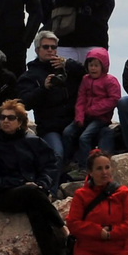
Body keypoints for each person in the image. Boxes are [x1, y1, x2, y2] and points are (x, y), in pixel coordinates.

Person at [0, 101, 66, 255]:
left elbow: (51, 164)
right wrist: (23, 184)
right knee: (32, 193)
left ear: (20, 122)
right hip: (6, 196)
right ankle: (63, 228)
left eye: (11, 118)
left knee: (36, 212)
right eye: (2, 117)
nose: (5, 121)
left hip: (33, 191)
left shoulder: (32, 141)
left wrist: (43, 183)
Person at [18, 30, 84, 166]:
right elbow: (24, 103)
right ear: (37, 50)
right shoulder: (29, 75)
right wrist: (44, 88)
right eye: (45, 47)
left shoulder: (66, 68)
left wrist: (68, 64)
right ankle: (53, 186)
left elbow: (89, 74)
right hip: (49, 127)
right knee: (57, 155)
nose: (50, 50)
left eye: (53, 47)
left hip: (73, 123)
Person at [70, 47, 124, 160]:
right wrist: (79, 116)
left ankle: (84, 167)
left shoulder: (110, 81)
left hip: (101, 118)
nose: (93, 68)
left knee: (84, 138)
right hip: (85, 116)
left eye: (96, 65)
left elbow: (114, 99)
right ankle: (68, 161)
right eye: (90, 65)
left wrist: (92, 110)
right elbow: (81, 98)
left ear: (103, 67)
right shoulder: (85, 79)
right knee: (67, 132)